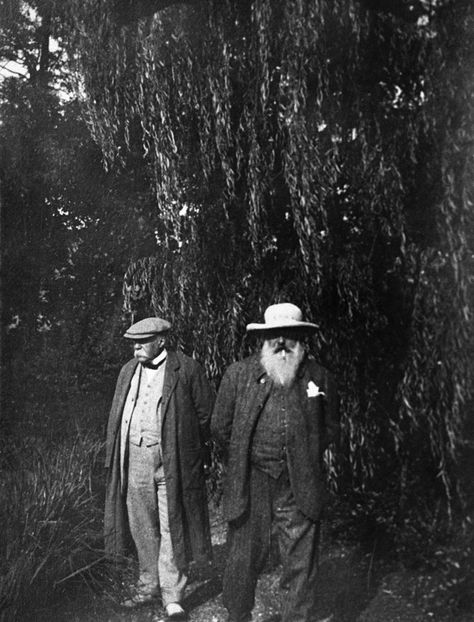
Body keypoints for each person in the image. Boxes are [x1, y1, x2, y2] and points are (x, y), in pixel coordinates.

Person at [211, 302, 339, 622]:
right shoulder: (238, 374)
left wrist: (304, 452)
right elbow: (219, 427)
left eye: (289, 335)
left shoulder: (319, 377)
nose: (282, 342)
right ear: (263, 340)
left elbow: (331, 427)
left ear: (301, 338)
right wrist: (245, 454)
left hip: (299, 482)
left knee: (300, 559)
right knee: (243, 556)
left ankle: (297, 617)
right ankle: (238, 615)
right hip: (252, 480)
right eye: (274, 336)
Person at [104, 316, 213, 621]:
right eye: (133, 342)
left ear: (161, 341)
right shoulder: (128, 370)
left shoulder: (187, 369)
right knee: (142, 523)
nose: (136, 346)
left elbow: (207, 414)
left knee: (171, 524)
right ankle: (147, 583)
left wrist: (192, 451)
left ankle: (173, 596)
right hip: (134, 457)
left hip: (173, 461)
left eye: (142, 341)